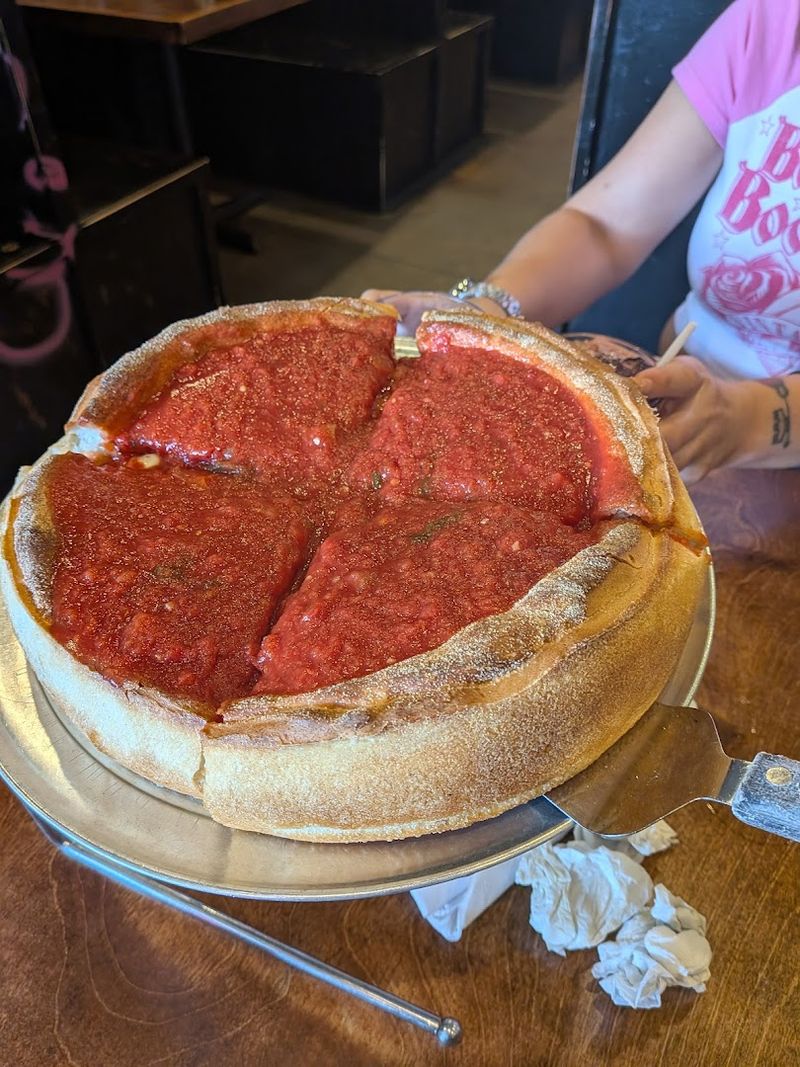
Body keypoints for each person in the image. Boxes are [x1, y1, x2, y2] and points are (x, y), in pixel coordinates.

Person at [364, 0, 800, 484]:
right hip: (679, 393)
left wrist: (752, 421)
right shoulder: (773, 20)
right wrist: (487, 312)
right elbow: (607, 224)